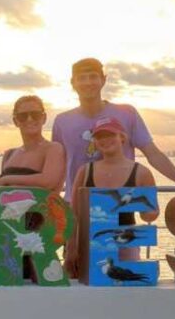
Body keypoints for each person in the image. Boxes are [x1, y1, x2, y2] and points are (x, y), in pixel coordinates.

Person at [53, 57, 175, 199]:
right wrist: (52, 201)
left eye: (93, 76)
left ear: (103, 80)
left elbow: (152, 153)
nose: (88, 82)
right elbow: (58, 167)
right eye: (81, 78)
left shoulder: (126, 113)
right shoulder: (62, 121)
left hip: (121, 204)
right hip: (76, 205)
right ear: (73, 82)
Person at [0, 95, 65, 275]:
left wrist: (6, 181)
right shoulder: (9, 154)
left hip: (34, 233)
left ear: (43, 118)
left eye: (35, 114)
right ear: (15, 121)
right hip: (3, 232)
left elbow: (48, 181)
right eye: (23, 116)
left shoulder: (53, 149)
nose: (29, 119)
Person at [66, 116, 158, 274]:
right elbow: (73, 214)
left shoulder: (142, 173)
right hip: (91, 245)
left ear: (122, 137)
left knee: (124, 292)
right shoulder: (85, 171)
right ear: (94, 141)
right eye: (100, 136)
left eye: (110, 134)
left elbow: (150, 214)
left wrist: (148, 211)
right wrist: (71, 248)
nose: (105, 140)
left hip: (126, 245)